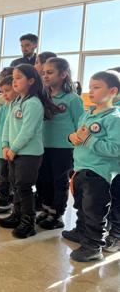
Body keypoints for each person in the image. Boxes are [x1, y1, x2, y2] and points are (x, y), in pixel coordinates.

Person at [0, 64, 60, 239]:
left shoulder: (33, 103)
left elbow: (28, 130)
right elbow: (7, 125)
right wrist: (5, 146)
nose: (14, 81)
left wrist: (14, 148)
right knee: (15, 184)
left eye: (18, 78)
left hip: (29, 154)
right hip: (13, 152)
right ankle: (16, 215)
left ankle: (28, 222)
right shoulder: (16, 101)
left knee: (24, 187)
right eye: (13, 77)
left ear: (31, 81)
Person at [63, 70, 120, 262]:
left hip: (98, 173)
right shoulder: (88, 114)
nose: (91, 91)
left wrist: (88, 139)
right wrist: (73, 137)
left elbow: (115, 149)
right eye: (90, 87)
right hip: (80, 169)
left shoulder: (114, 119)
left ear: (113, 91)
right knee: (81, 206)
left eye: (97, 87)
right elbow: (79, 135)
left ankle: (93, 246)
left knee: (95, 211)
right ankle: (81, 231)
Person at [37, 58, 84, 230]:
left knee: (59, 180)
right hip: (43, 145)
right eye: (43, 73)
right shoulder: (43, 97)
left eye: (50, 72)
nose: (45, 76)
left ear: (63, 74)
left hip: (63, 148)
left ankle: (57, 214)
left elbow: (80, 125)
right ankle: (46, 209)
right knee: (44, 179)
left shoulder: (73, 99)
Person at [0, 74, 18, 214]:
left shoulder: (18, 108)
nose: (4, 94)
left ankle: (8, 199)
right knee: (3, 176)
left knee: (10, 177)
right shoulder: (2, 109)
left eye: (8, 91)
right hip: (2, 150)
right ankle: (4, 198)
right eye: (3, 91)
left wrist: (12, 148)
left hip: (13, 151)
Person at [105, 67, 120, 253]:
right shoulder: (106, 108)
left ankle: (116, 235)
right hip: (107, 163)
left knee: (117, 198)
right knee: (110, 197)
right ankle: (108, 228)